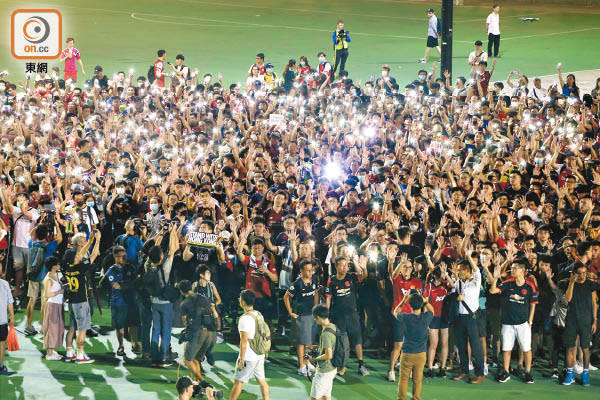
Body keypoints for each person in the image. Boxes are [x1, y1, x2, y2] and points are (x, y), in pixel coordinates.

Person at [489, 259, 538, 384]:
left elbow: (533, 304)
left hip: (523, 323)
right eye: (512, 267)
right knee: (506, 348)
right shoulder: (508, 283)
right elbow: (492, 291)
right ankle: (506, 372)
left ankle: (527, 372)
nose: (512, 270)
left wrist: (530, 322)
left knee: (526, 348)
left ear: (523, 271)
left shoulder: (530, 285)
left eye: (515, 268)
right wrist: (495, 278)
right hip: (507, 323)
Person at [325, 256, 369, 376]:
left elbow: (363, 276)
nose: (344, 268)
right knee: (342, 342)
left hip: (353, 314)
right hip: (338, 316)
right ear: (336, 266)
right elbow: (328, 298)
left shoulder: (351, 277)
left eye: (346, 265)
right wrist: (326, 315)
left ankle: (361, 364)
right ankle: (342, 365)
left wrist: (364, 268)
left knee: (357, 339)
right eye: (342, 265)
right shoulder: (331, 280)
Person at [63, 230, 101, 364]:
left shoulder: (66, 266)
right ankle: (80, 354)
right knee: (82, 330)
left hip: (71, 301)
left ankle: (69, 352)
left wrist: (93, 240)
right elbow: (93, 255)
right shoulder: (81, 267)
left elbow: (82, 254)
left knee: (72, 328)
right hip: (81, 301)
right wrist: (96, 240)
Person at [146, 223, 180, 367]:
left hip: (153, 302)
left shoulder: (147, 265)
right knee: (166, 332)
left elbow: (152, 250)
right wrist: (172, 231)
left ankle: (154, 358)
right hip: (165, 303)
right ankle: (163, 358)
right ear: (160, 256)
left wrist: (160, 233)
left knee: (155, 330)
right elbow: (173, 250)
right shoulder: (164, 268)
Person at [230, 289, 270, 400]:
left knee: (238, 382)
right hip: (260, 355)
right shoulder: (258, 314)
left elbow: (243, 342)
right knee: (262, 381)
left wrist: (241, 359)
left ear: (242, 302)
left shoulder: (244, 319)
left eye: (240, 298)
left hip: (249, 356)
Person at [562, 263, 598, 386]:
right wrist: (572, 282)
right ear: (574, 274)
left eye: (584, 273)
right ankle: (570, 374)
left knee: (585, 348)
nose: (582, 276)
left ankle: (585, 375)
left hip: (586, 321)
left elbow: (594, 303)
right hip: (571, 321)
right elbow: (568, 299)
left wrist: (595, 320)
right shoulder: (569, 283)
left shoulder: (591, 285)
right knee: (570, 348)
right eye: (579, 273)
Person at [394, 292, 434, 400]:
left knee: (403, 379)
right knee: (417, 379)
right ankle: (416, 398)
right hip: (421, 354)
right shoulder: (426, 317)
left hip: (407, 353)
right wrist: (424, 301)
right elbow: (432, 310)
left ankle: (401, 398)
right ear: (421, 305)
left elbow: (395, 312)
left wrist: (404, 300)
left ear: (410, 305)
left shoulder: (406, 317)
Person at [452, 259, 485, 383]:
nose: (458, 271)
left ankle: (480, 373)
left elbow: (476, 271)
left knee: (476, 347)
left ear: (466, 270)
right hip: (460, 318)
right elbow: (454, 294)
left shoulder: (475, 282)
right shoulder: (459, 282)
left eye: (460, 269)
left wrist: (469, 256)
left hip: (472, 318)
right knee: (461, 346)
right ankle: (464, 371)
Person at [284, 259, 319, 375]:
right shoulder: (297, 284)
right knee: (301, 342)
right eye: (307, 270)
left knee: (309, 341)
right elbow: (286, 297)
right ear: (301, 271)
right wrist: (290, 312)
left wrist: (316, 308)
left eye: (311, 270)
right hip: (302, 315)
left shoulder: (314, 279)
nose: (309, 273)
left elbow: (316, 293)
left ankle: (307, 362)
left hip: (312, 314)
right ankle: (301, 366)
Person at [180, 279, 218, 382]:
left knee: (187, 360)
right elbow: (215, 313)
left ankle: (202, 382)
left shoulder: (184, 303)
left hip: (198, 333)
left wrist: (187, 332)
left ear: (181, 291)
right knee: (196, 359)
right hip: (211, 332)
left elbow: (185, 321)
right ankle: (198, 384)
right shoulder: (204, 298)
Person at [106, 245, 140, 356]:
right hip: (118, 302)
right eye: (121, 257)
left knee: (133, 324)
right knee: (119, 326)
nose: (124, 258)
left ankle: (134, 344)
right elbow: (117, 286)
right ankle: (121, 346)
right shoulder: (112, 270)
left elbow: (136, 280)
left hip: (131, 301)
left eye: (124, 256)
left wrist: (126, 284)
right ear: (115, 257)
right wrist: (130, 284)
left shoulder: (130, 267)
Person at [307, 304, 337, 400]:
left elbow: (328, 355)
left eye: (315, 318)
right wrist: (319, 347)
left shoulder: (326, 334)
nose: (315, 320)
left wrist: (314, 359)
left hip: (324, 371)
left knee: (314, 398)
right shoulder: (333, 327)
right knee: (326, 397)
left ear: (318, 317)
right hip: (332, 369)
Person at [42, 256, 65, 360]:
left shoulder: (56, 274)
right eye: (58, 264)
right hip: (52, 305)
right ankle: (49, 354)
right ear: (53, 266)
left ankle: (52, 350)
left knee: (56, 328)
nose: (59, 265)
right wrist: (59, 292)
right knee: (51, 328)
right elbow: (47, 294)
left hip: (58, 304)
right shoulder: (48, 279)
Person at [0, 272, 14, 374]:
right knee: (1, 343)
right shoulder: (5, 284)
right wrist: (12, 316)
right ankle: (0, 366)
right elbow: (10, 301)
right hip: (2, 320)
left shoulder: (5, 283)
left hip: (2, 320)